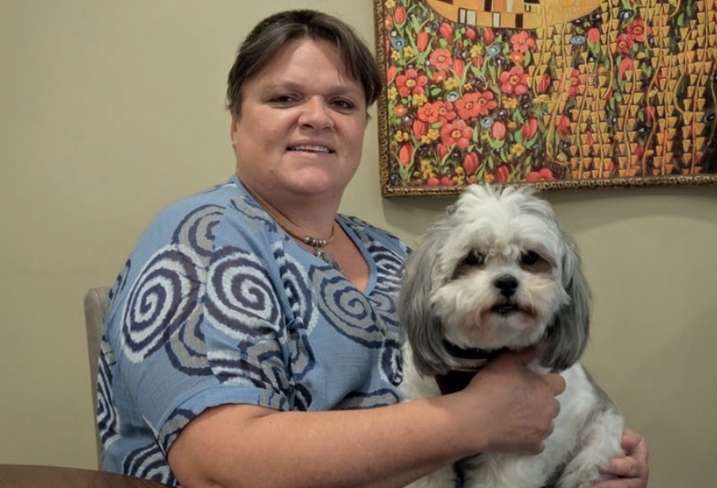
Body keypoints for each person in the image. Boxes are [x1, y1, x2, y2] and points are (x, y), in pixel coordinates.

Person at [96, 9, 649, 487]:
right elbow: (220, 467)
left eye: (342, 102)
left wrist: (591, 460)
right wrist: (473, 419)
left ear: (363, 125)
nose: (316, 117)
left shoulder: (392, 255)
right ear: (236, 121)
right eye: (284, 97)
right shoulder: (200, 241)